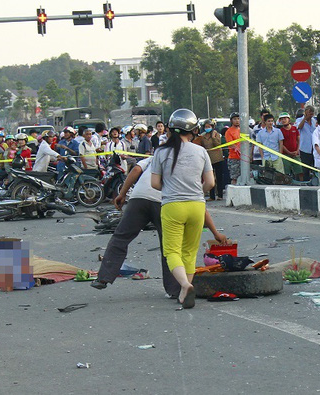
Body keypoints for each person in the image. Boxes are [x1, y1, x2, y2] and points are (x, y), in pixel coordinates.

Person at [91, 155, 227, 296]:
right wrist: (215, 233)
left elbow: (136, 170)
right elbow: (200, 206)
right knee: (170, 247)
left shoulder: (154, 157)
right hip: (164, 202)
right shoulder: (187, 167)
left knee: (120, 237)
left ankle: (103, 278)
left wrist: (122, 194)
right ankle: (176, 290)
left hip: (139, 199)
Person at [151, 108, 214, 309]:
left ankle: (185, 285)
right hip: (197, 206)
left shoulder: (160, 152)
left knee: (171, 251)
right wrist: (197, 192)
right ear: (193, 130)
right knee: (189, 251)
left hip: (172, 206)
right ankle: (183, 292)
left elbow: (154, 183)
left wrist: (171, 188)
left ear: (170, 129)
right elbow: (210, 183)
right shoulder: (201, 151)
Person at [197, 119, 225, 200]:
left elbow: (217, 144)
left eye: (209, 126)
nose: (207, 128)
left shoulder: (217, 134)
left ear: (212, 127)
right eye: (206, 127)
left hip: (218, 158)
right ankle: (211, 196)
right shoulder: (203, 136)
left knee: (219, 177)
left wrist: (213, 137)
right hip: (208, 159)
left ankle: (220, 195)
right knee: (210, 178)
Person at [278, 112, 302, 180]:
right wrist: (289, 152)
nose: (283, 120)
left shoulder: (294, 129)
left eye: (285, 118)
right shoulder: (280, 131)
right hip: (285, 155)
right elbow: (281, 144)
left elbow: (298, 140)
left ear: (289, 119)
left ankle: (301, 183)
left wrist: (297, 151)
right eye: (282, 119)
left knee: (300, 170)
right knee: (286, 172)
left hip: (296, 154)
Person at [297, 105, 317, 181]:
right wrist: (305, 118)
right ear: (305, 112)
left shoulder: (314, 121)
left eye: (311, 114)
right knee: (305, 169)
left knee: (315, 167)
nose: (310, 115)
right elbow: (299, 127)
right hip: (304, 148)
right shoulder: (299, 120)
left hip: (314, 148)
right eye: (309, 113)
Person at [225, 112, 244, 184]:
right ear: (231, 121)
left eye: (238, 119)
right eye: (235, 119)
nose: (237, 121)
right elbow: (230, 144)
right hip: (234, 158)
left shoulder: (243, 130)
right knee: (234, 178)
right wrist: (237, 148)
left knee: (244, 176)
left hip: (243, 158)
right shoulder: (229, 131)